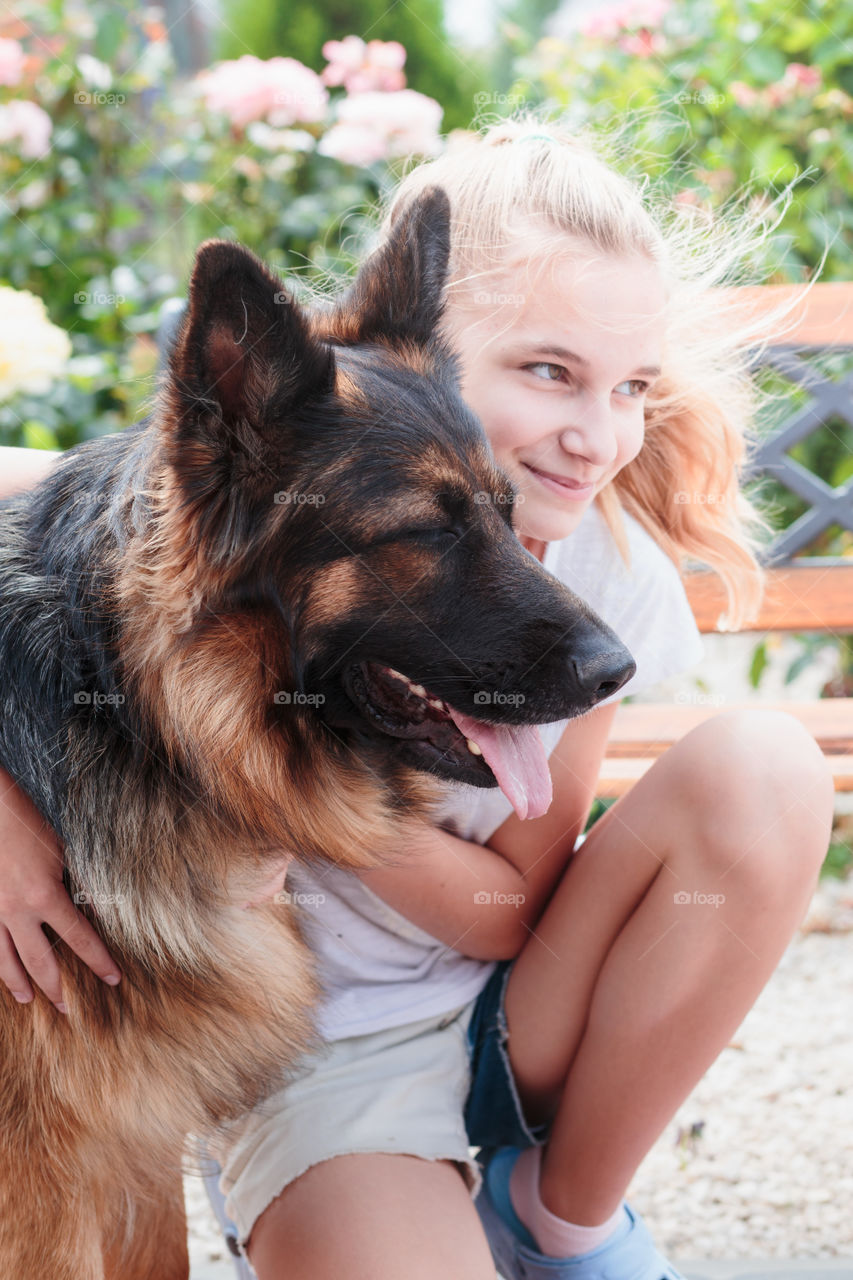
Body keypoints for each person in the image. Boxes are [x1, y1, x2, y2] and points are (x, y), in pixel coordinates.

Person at [0, 114, 834, 1280]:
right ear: (434, 353)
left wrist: (293, 805)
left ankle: (563, 1212)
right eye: (549, 371)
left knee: (766, 767)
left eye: (630, 386)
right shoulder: (264, 495)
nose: (596, 435)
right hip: (340, 1060)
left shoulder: (604, 575)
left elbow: (509, 912)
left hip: (516, 1010)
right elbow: (49, 537)